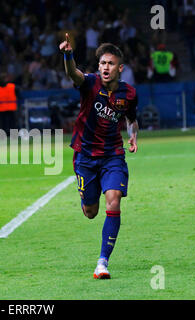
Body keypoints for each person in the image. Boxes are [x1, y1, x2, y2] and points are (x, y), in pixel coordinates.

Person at [59, 35, 139, 279]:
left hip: (113, 155)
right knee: (91, 211)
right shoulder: (90, 83)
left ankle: (102, 262)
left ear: (119, 68)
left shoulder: (130, 93)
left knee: (113, 200)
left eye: (111, 63)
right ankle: (86, 197)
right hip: (85, 156)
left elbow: (132, 119)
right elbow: (74, 74)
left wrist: (133, 135)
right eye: (102, 63)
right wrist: (68, 55)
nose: (105, 67)